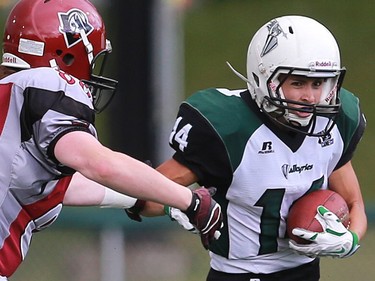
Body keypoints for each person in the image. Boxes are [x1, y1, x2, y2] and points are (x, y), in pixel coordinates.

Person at [129, 15, 368, 281]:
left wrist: (350, 240)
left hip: (306, 273)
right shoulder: (229, 127)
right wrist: (178, 205)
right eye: (297, 83)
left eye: (318, 83)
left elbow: (352, 201)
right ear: (265, 77)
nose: (310, 97)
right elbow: (145, 197)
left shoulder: (334, 121)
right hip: (239, 275)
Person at [0, 0, 223, 280]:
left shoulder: (12, 100)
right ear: (68, 54)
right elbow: (98, 165)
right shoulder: (49, 83)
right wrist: (190, 201)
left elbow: (55, 186)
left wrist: (142, 196)